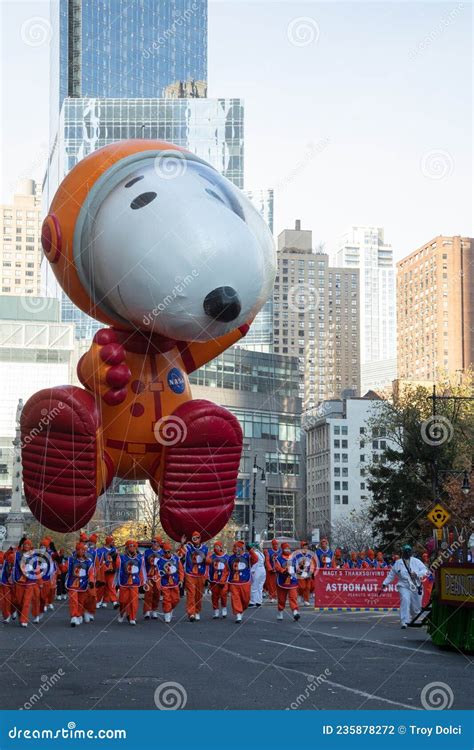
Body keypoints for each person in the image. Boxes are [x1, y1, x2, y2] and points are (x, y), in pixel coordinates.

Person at [380, 544, 428, 628]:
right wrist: (384, 584)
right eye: (405, 551)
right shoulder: (398, 563)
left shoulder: (416, 561)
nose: (407, 552)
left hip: (415, 585)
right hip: (403, 585)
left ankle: (415, 617)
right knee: (405, 600)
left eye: (408, 551)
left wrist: (417, 574)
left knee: (416, 606)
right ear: (403, 552)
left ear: (411, 552)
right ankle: (404, 621)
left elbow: (425, 570)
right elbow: (391, 575)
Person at [13, 538, 41, 627]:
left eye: (28, 545)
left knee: (27, 601)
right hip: (20, 581)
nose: (26, 546)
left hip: (30, 582)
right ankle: (20, 615)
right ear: (23, 546)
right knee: (18, 601)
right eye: (25, 544)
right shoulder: (18, 554)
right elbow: (14, 561)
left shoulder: (34, 556)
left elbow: (36, 569)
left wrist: (40, 581)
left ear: (30, 546)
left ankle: (24, 619)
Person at [227, 541, 258, 623]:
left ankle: (241, 609)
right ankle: (238, 615)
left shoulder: (247, 556)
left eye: (239, 548)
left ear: (242, 548)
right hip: (234, 582)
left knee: (246, 599)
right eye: (235, 547)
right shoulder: (230, 558)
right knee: (235, 598)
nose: (237, 549)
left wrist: (250, 550)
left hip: (245, 581)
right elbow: (227, 569)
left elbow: (255, 559)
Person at [117, 539, 146, 625]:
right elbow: (118, 567)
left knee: (134, 601)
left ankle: (132, 617)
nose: (132, 548)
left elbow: (142, 570)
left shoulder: (140, 558)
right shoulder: (121, 557)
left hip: (135, 582)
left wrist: (144, 581)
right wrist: (115, 557)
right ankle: (122, 613)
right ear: (127, 548)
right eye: (130, 546)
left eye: (134, 546)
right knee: (123, 601)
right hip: (124, 582)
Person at [65, 542, 95, 627]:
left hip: (83, 585)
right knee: (73, 600)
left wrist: (91, 581)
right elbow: (65, 569)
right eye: (79, 550)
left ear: (85, 551)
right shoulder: (71, 560)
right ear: (76, 550)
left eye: (82, 550)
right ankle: (73, 616)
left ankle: (79, 614)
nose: (81, 551)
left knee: (81, 601)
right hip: (72, 584)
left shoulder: (88, 562)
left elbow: (91, 573)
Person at [182, 531, 208, 622]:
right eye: (193, 538)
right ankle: (191, 613)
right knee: (191, 594)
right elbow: (180, 553)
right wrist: (182, 543)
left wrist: (204, 558)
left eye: (197, 538)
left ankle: (197, 611)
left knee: (198, 595)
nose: (195, 539)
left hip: (200, 574)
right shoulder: (188, 547)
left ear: (200, 539)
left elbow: (209, 562)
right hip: (190, 574)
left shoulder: (205, 548)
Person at [158, 543, 184, 623]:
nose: (167, 553)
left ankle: (170, 609)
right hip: (165, 583)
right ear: (163, 552)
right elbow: (159, 573)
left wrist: (181, 580)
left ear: (171, 551)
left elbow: (180, 570)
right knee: (166, 600)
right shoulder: (160, 561)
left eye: (169, 552)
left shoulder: (176, 559)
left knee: (176, 599)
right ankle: (167, 614)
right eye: (165, 552)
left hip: (175, 582)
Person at [275, 542, 300, 621]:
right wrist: (283, 571)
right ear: (282, 549)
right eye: (285, 549)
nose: (287, 550)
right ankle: (280, 611)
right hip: (282, 581)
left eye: (288, 548)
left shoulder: (294, 558)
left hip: (292, 581)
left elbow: (297, 568)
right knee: (282, 599)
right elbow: (277, 567)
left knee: (293, 597)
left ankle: (295, 612)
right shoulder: (278, 559)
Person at [206, 540, 229, 618]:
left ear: (221, 547)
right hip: (214, 580)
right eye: (214, 547)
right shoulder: (212, 557)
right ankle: (216, 611)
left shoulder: (226, 557)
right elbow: (208, 567)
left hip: (223, 581)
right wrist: (209, 578)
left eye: (217, 547)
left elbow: (229, 570)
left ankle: (224, 608)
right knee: (214, 596)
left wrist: (226, 579)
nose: (215, 548)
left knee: (223, 595)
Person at [143, 536, 162, 619]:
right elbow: (143, 565)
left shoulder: (163, 552)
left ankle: (154, 610)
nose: (153, 543)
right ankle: (147, 611)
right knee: (148, 593)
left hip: (159, 576)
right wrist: (144, 577)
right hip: (149, 576)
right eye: (152, 541)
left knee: (157, 593)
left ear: (159, 543)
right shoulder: (147, 552)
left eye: (155, 542)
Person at [99, 536, 119, 608]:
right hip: (103, 571)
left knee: (111, 585)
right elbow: (99, 562)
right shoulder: (101, 550)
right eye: (112, 541)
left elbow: (117, 560)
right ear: (108, 542)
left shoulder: (115, 550)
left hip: (112, 571)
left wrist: (116, 564)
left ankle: (114, 601)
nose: (113, 543)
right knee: (102, 586)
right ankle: (100, 600)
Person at [294, 541, 316, 606]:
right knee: (302, 587)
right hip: (300, 573)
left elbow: (312, 564)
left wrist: (312, 572)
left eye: (306, 546)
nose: (305, 547)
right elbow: (295, 564)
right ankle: (300, 595)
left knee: (308, 587)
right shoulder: (297, 555)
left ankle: (306, 600)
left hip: (308, 573)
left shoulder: (310, 555)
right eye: (304, 546)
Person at [249, 542, 266, 607]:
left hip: (257, 570)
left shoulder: (255, 553)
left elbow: (254, 562)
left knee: (254, 586)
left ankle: (252, 602)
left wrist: (252, 571)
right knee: (260, 586)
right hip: (263, 570)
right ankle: (259, 601)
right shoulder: (261, 554)